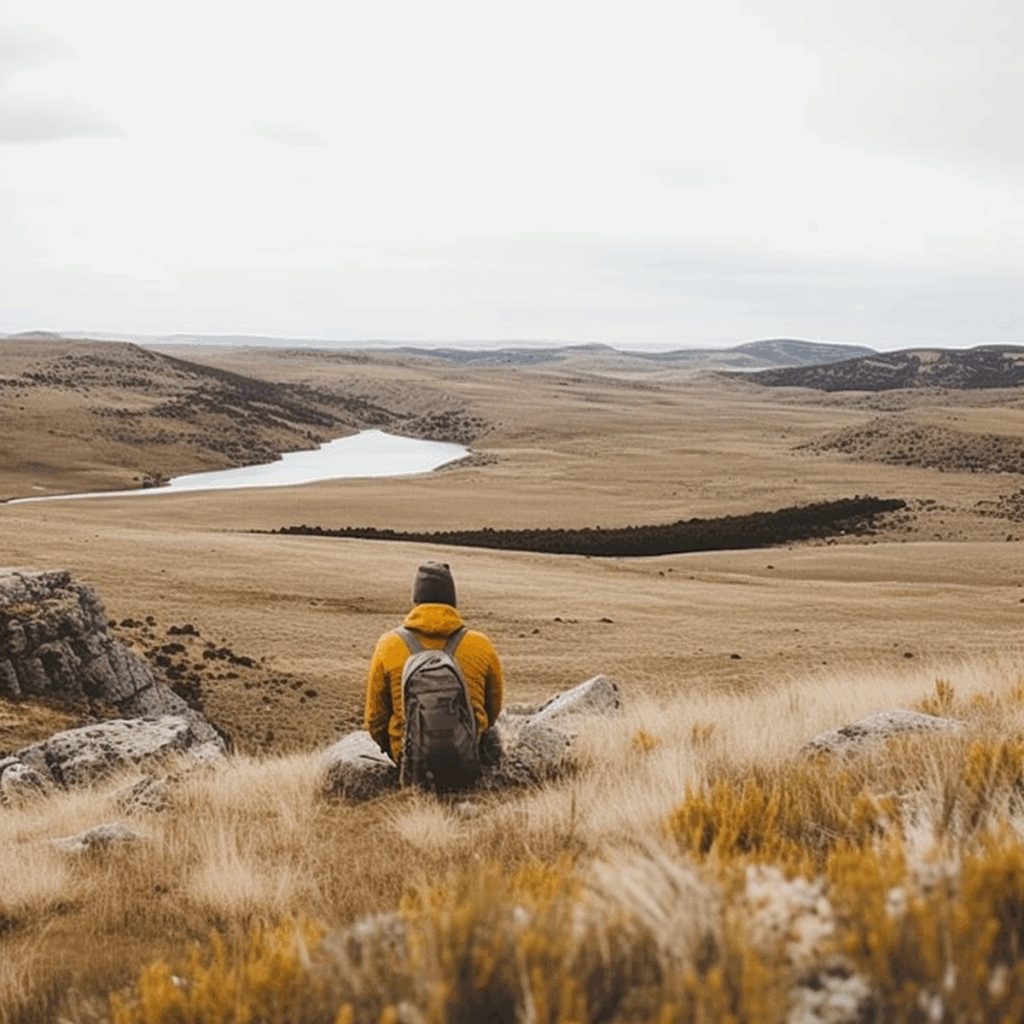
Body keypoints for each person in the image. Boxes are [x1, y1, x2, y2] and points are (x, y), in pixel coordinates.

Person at [364, 561, 504, 767]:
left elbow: (374, 719)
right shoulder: (480, 644)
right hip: (467, 753)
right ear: (452, 600)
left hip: (409, 760)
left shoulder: (389, 644)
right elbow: (493, 708)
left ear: (416, 600)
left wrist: (398, 751)